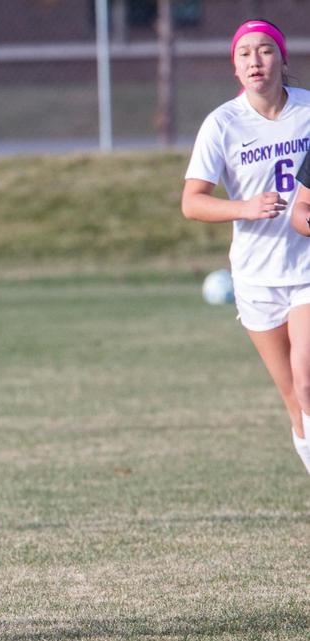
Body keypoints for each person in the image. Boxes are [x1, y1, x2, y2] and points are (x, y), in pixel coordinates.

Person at [185, 21, 310, 479]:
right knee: (295, 401)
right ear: (235, 68)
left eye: (265, 51)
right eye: (245, 55)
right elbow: (192, 202)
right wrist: (246, 207)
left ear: (282, 57)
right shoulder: (222, 123)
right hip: (257, 275)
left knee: (307, 376)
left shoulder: (308, 110)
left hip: (307, 269)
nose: (255, 61)